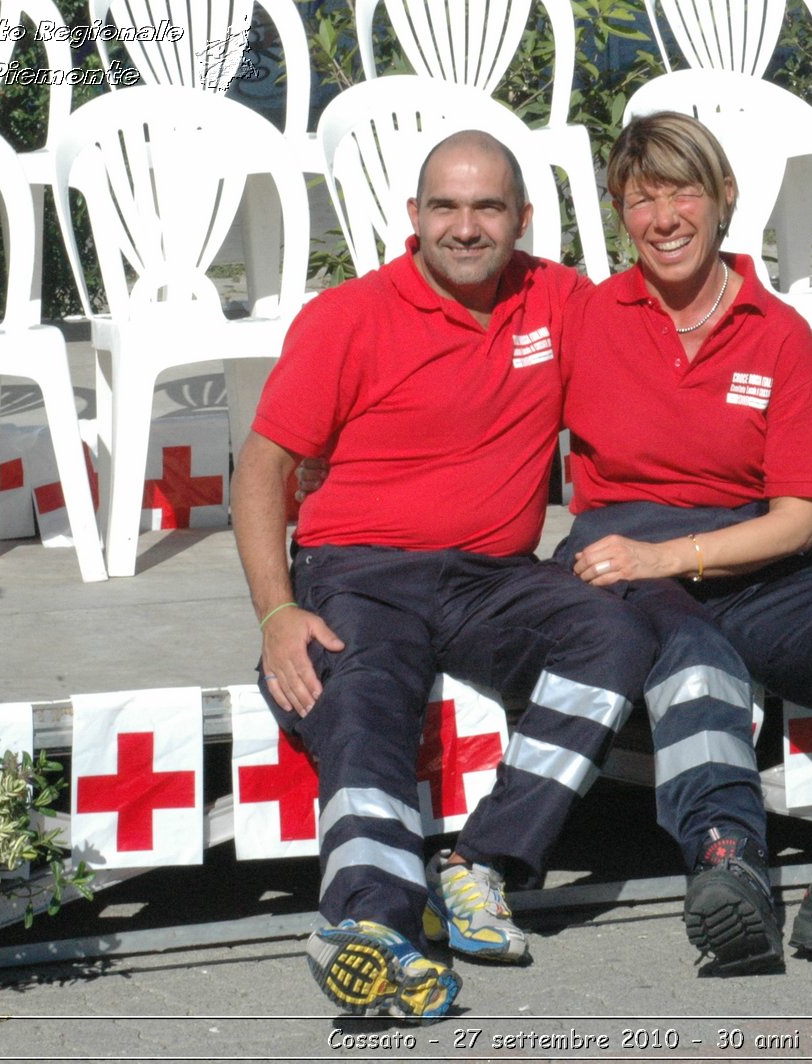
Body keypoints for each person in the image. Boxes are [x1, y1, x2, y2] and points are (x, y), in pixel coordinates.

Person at [230, 129, 657, 1021]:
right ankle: (376, 930)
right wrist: (276, 611)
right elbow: (263, 470)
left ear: (522, 221)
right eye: (446, 207)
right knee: (357, 699)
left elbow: (666, 341)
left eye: (488, 207)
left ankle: (482, 866)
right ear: (414, 218)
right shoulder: (346, 316)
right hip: (362, 570)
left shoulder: (559, 301)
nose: (466, 227)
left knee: (613, 634)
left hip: (492, 577)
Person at [553, 111, 812, 974]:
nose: (663, 219)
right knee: (698, 659)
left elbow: (794, 519)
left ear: (724, 199)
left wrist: (675, 557)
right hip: (621, 557)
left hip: (749, 555)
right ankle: (728, 862)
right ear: (619, 215)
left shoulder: (775, 330)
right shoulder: (587, 316)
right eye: (640, 200)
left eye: (682, 193)